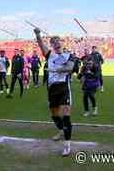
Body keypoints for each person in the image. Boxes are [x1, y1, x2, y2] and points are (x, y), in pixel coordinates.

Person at [34, 28, 74, 157]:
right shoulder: (49, 54)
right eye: (53, 41)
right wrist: (38, 34)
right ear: (51, 44)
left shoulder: (69, 55)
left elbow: (70, 68)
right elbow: (40, 44)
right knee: (54, 115)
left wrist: (56, 70)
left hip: (63, 88)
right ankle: (61, 130)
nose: (56, 43)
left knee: (66, 116)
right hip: (52, 89)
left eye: (57, 40)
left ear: (61, 42)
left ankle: (67, 145)